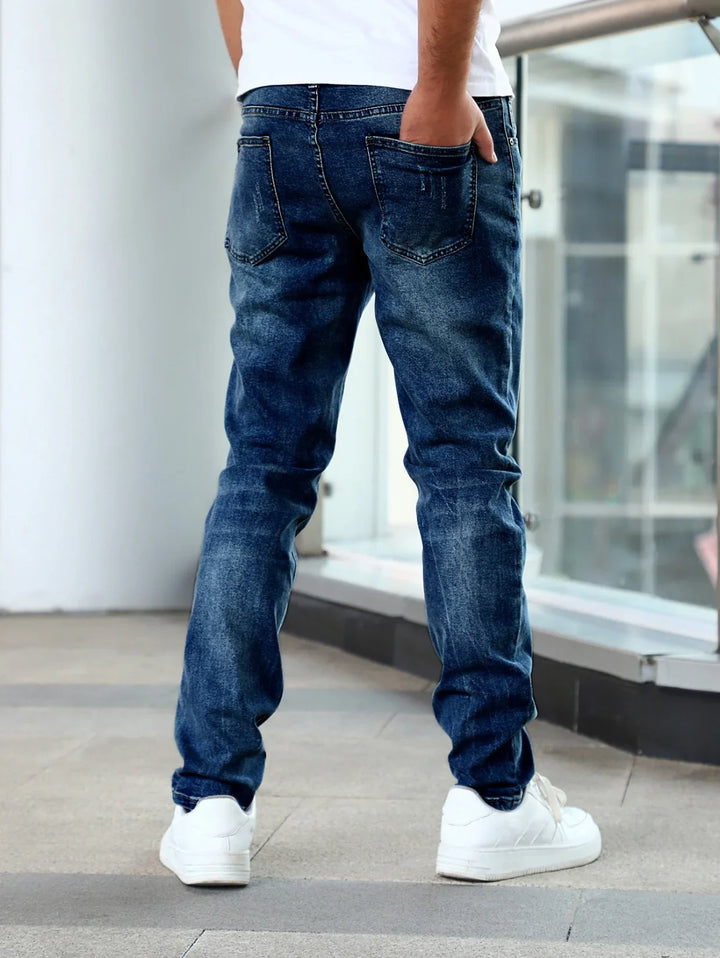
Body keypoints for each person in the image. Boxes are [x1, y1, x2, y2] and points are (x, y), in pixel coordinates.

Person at [160, 0, 602, 886]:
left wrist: (270, 78)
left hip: (280, 111)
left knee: (263, 468)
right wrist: (439, 87)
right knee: (463, 467)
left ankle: (209, 805)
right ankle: (493, 801)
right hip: (418, 105)